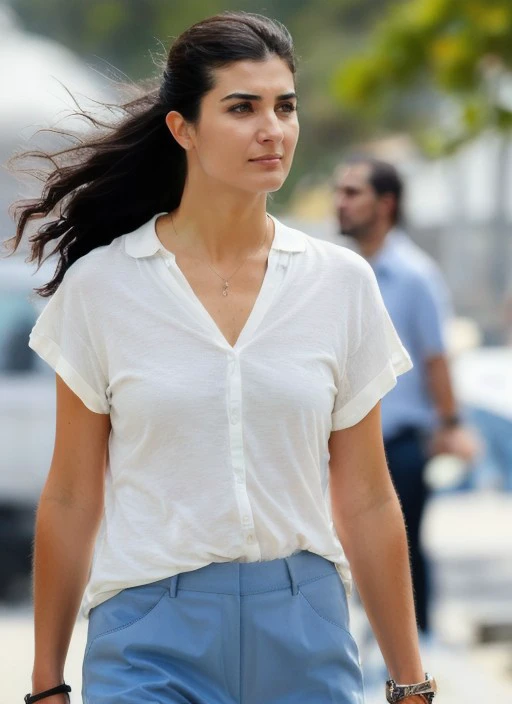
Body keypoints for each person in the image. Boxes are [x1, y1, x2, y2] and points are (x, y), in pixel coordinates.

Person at [9, 13, 436, 704]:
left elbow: (365, 497)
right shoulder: (103, 288)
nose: (273, 129)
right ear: (183, 128)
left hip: (305, 628)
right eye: (242, 108)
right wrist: (46, 681)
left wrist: (411, 682)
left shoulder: (341, 284)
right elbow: (70, 495)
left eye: (284, 106)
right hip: (148, 631)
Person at [334, 156, 478, 637]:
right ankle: (365, 643)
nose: (341, 203)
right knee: (344, 547)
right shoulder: (336, 273)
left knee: (403, 544)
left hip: (400, 441)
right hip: (339, 444)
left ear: (386, 203)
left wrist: (452, 424)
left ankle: (420, 649)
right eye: (340, 192)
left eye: (353, 193)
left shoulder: (416, 276)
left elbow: (436, 357)